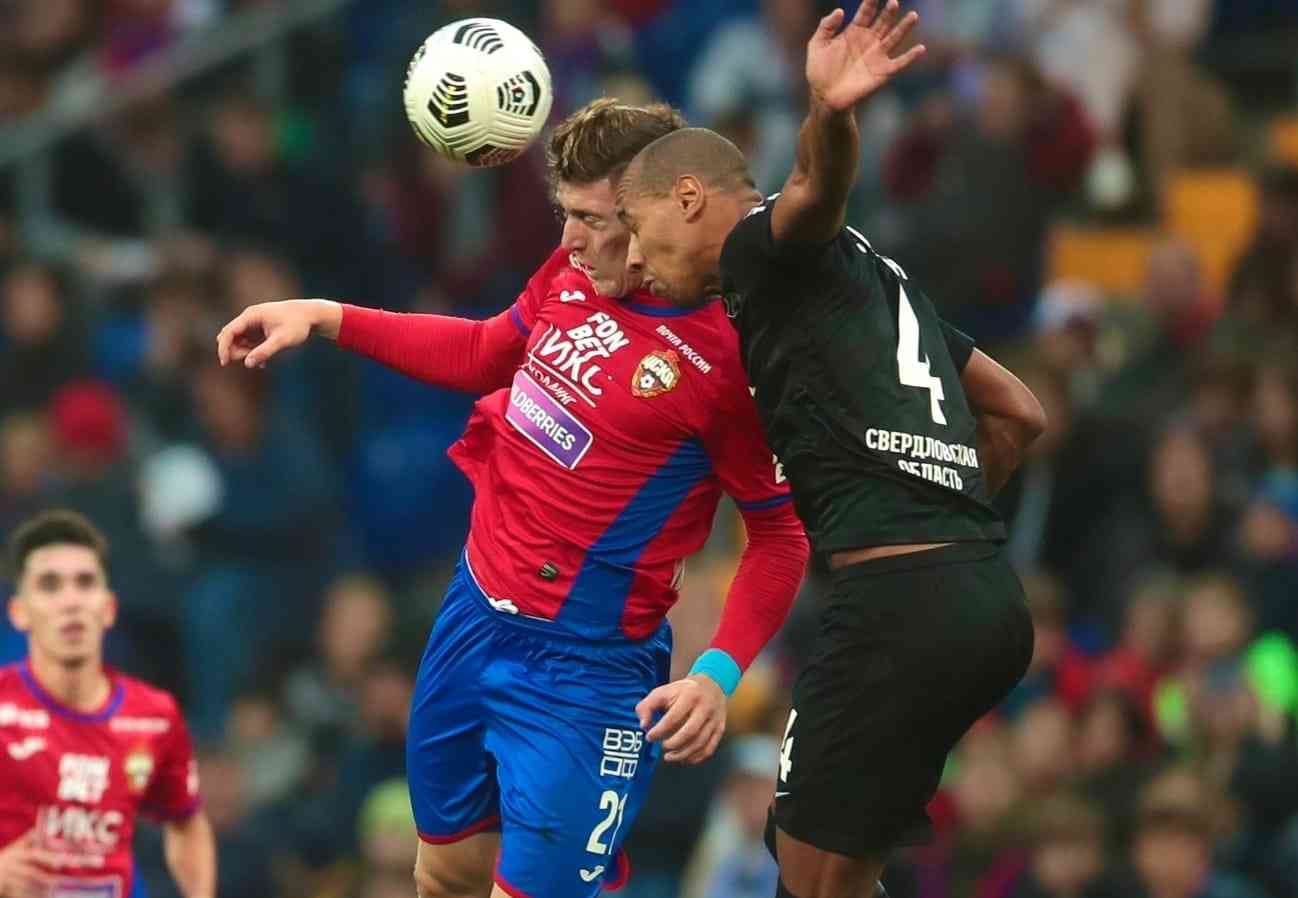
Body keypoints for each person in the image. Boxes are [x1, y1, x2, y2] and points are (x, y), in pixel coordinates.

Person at [215, 98, 809, 898]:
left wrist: (716, 673)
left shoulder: (732, 355)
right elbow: (488, 349)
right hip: (471, 621)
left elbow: (781, 537)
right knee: (445, 874)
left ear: (657, 211)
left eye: (592, 219)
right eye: (565, 215)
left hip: (587, 677)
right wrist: (326, 316)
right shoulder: (571, 272)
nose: (570, 239)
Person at [615, 3, 1047, 896]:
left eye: (635, 232)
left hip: (893, 604)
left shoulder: (758, 252)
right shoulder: (874, 278)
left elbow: (814, 188)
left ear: (687, 199)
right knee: (823, 864)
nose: (634, 265)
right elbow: (1019, 414)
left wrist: (830, 111)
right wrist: (941, 517)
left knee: (807, 875)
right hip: (983, 600)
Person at [0, 509, 215, 898]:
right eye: (50, 585)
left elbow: (186, 822)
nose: (71, 601)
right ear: (19, 613)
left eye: (85, 583)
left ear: (109, 608)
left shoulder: (154, 716)